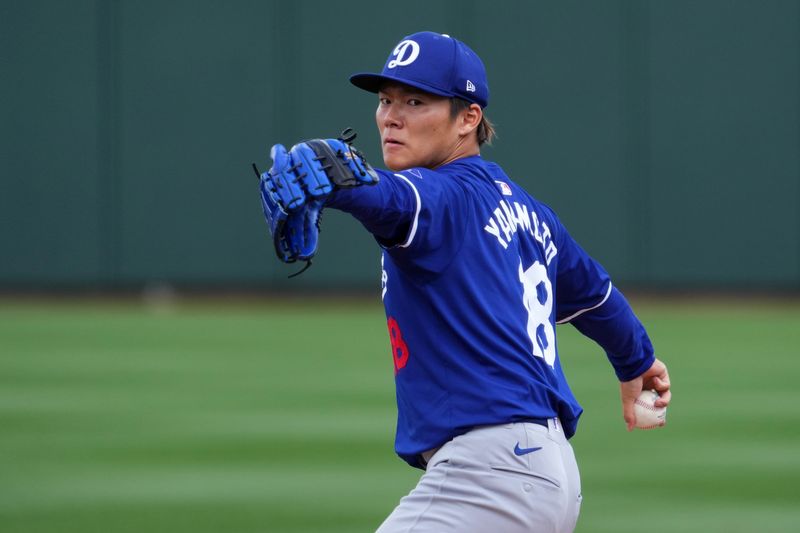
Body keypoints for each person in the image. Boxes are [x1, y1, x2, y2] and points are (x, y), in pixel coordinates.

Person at [280, 31, 671, 533]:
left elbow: (393, 199)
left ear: (468, 118)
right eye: (385, 100)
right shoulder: (532, 214)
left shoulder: (441, 194)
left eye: (416, 101)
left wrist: (342, 183)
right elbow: (597, 298)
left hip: (490, 476)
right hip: (543, 474)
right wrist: (636, 360)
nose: (390, 116)